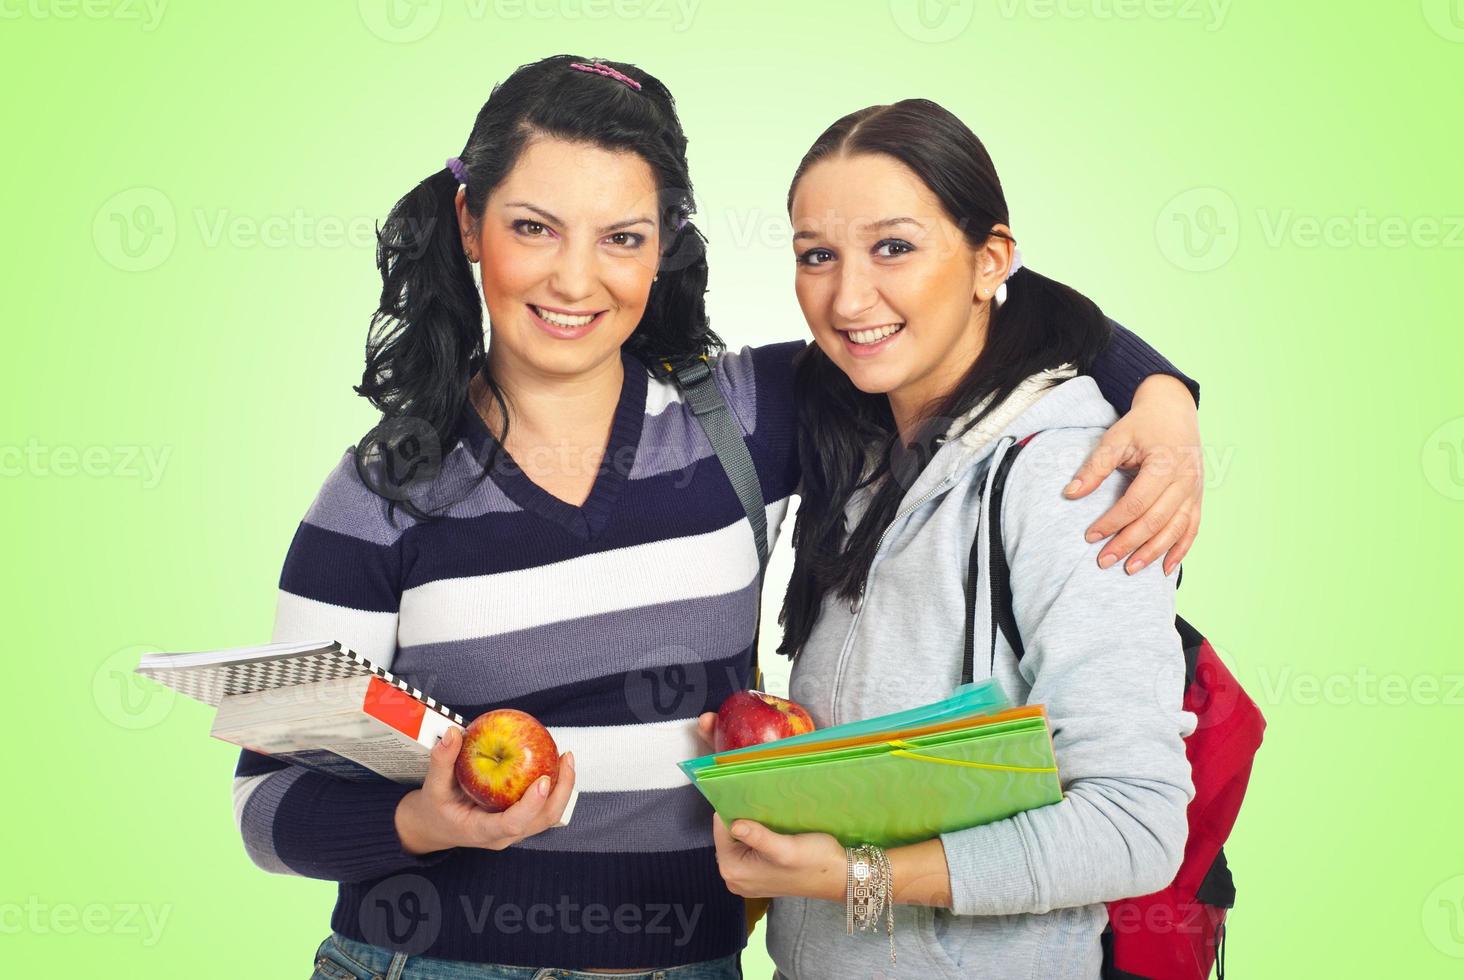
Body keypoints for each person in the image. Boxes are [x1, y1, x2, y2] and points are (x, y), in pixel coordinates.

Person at [232, 57, 1202, 978]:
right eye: (534, 227)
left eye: (623, 236)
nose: (577, 279)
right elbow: (267, 802)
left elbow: (953, 308)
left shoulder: (740, 417)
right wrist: (426, 820)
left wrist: (1160, 392)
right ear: (469, 221)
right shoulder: (376, 492)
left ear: (664, 249)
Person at [703, 98, 1200, 980]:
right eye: (818, 255)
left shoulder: (1065, 479)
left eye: (894, 246)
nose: (849, 296)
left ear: (990, 260)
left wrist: (861, 878)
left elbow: (1134, 825)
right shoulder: (855, 441)